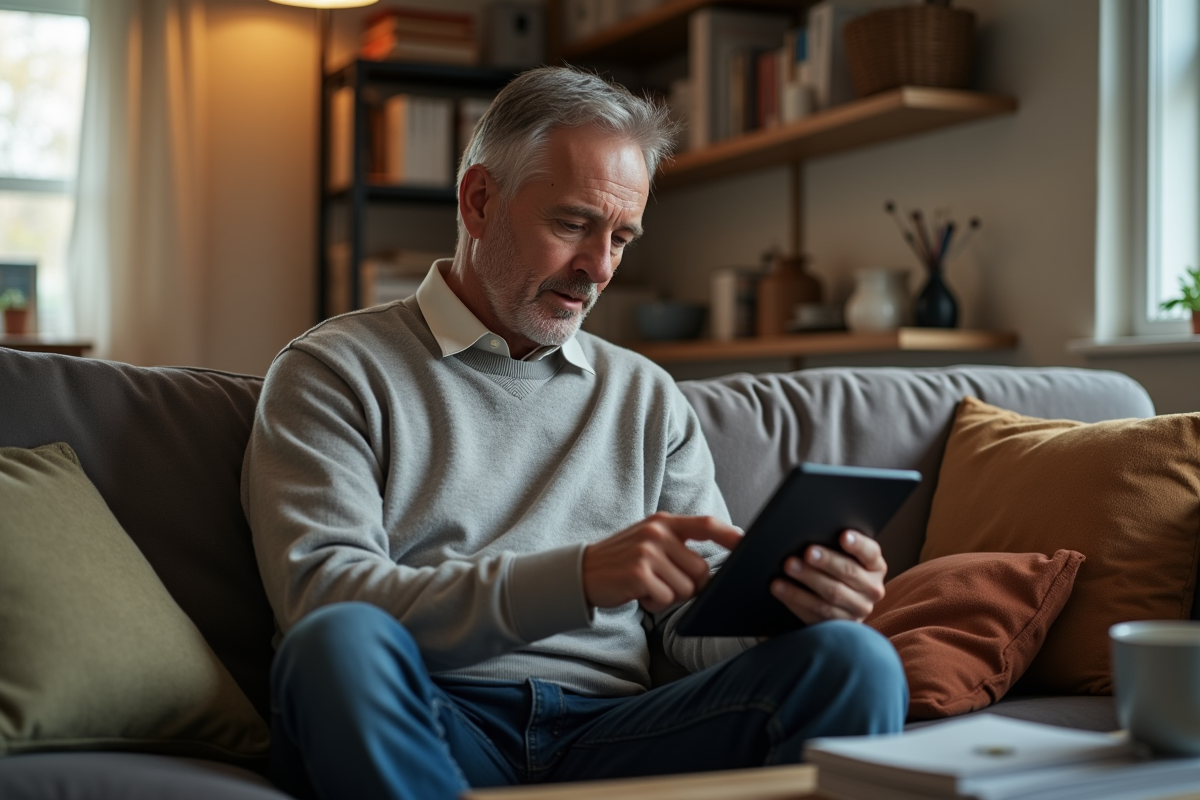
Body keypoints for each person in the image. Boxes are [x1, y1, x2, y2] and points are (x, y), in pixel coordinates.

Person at [242, 66, 906, 800]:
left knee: (853, 659)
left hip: (617, 734)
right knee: (336, 645)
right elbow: (324, 599)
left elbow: (692, 626)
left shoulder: (647, 396)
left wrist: (791, 608)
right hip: (434, 718)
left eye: (622, 236)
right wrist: (579, 577)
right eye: (572, 224)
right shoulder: (332, 372)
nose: (599, 268)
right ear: (479, 202)